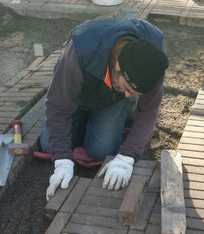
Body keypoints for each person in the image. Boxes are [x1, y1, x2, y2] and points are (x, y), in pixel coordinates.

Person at [38, 18, 169, 201]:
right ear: (118, 67)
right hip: (76, 96)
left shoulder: (154, 58)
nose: (128, 94)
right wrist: (62, 160)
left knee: (101, 151)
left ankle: (121, 110)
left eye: (134, 92)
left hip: (110, 99)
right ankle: (84, 117)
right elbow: (58, 108)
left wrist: (127, 157)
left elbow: (149, 109)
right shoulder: (81, 50)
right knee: (50, 145)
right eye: (128, 89)